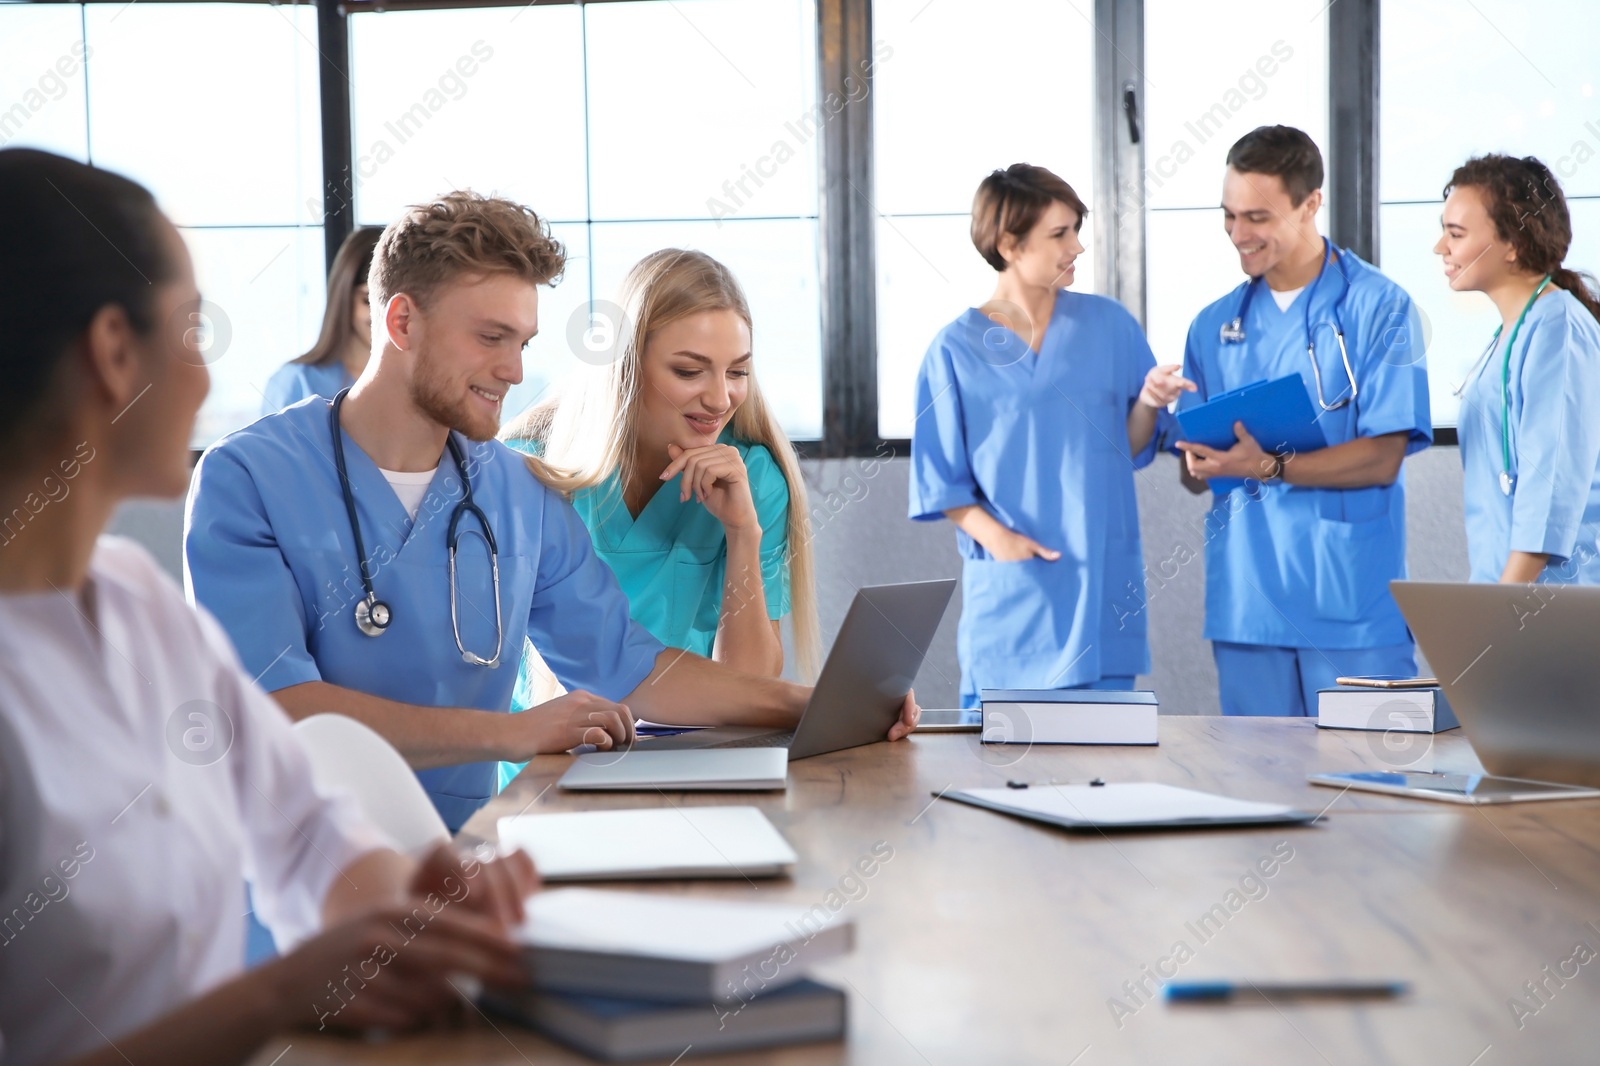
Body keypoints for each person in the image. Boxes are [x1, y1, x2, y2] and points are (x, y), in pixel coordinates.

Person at [0, 148, 538, 1066]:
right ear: (111, 352)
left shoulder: (139, 605)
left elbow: (305, 827)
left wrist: (416, 914)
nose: (208, 379)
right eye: (194, 331)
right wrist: (288, 990)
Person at [185, 191, 919, 832]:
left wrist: (816, 703)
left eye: (524, 341)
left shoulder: (515, 491)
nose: (514, 368)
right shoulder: (245, 479)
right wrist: (507, 733)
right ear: (402, 322)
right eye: (491, 338)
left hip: (466, 859)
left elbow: (632, 668)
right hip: (300, 876)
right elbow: (275, 708)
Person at [497, 250, 820, 782]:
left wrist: (742, 532)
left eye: (737, 371)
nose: (720, 398)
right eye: (689, 371)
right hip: (550, 766)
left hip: (692, 758)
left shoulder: (752, 475)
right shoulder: (536, 466)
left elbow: (747, 683)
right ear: (624, 365)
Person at [1171, 126, 1432, 717]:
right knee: (1256, 798)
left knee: (1368, 791)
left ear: (1311, 203)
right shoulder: (1214, 326)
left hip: (1350, 604)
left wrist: (1267, 465)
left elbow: (1383, 454)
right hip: (1249, 603)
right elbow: (1196, 474)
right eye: (1229, 215)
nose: (1239, 235)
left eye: (1257, 217)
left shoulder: (1381, 308)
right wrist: (1201, 463)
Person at [908, 164, 1180, 707]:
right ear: (1009, 244)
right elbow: (941, 483)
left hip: (1101, 591)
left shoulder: (1110, 326)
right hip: (1013, 602)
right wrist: (1002, 542)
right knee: (998, 778)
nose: (1076, 247)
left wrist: (1149, 401)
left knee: (1102, 777)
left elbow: (1125, 449)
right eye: (1060, 234)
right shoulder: (954, 351)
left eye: (1077, 230)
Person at [1434, 155, 1600, 585]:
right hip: (1509, 591)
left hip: (1551, 598)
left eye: (1456, 234)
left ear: (1512, 244)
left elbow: (1550, 487)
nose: (1441, 247)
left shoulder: (1558, 326)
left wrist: (1503, 611)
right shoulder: (1515, 332)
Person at [260, 226, 383, 414]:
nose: (383, 315)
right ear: (343, 298)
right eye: (368, 300)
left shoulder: (417, 385)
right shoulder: (294, 382)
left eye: (396, 303)